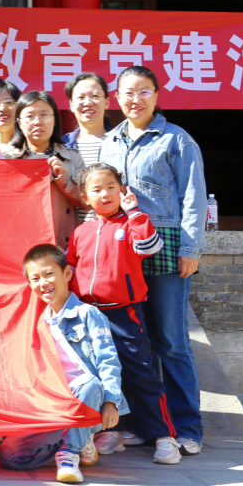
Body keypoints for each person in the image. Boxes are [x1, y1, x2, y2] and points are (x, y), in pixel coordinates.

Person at [99, 65, 206, 457]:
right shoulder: (110, 142)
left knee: (171, 340)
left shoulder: (177, 140)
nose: (135, 99)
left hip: (167, 248)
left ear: (157, 96)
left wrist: (191, 249)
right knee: (133, 342)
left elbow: (194, 197)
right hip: (124, 251)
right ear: (117, 98)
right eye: (128, 92)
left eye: (144, 91)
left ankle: (187, 427)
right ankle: (145, 426)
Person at [67, 164, 182, 466]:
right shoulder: (80, 232)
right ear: (85, 197)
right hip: (89, 316)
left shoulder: (131, 224)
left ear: (122, 190)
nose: (105, 194)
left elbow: (150, 246)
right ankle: (113, 430)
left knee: (141, 373)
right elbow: (70, 269)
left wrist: (134, 212)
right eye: (96, 189)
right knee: (101, 375)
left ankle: (164, 436)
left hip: (124, 313)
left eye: (111, 187)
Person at [0, 244, 125, 485]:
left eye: (49, 274)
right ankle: (78, 439)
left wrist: (111, 402)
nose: (43, 282)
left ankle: (69, 453)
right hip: (54, 403)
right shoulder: (38, 321)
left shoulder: (88, 314)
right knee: (10, 456)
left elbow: (108, 360)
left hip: (87, 399)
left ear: (66, 274)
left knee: (89, 384)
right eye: (35, 278)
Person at [3, 91, 86, 248]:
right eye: (30, 116)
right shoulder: (8, 159)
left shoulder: (72, 157)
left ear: (54, 120)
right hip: (23, 244)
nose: (38, 122)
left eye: (44, 115)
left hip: (64, 246)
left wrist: (64, 180)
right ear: (19, 122)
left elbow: (86, 202)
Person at [61, 73, 112, 221]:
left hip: (113, 230)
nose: (88, 102)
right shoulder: (60, 146)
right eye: (81, 97)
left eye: (95, 96)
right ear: (71, 105)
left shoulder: (122, 143)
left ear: (106, 102)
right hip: (71, 231)